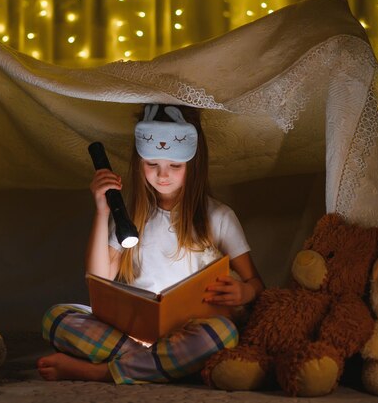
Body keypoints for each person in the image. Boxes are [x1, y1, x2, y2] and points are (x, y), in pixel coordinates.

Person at [37, 104, 265, 384]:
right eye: (152, 164)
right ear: (139, 162)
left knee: (224, 334)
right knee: (56, 318)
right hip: (134, 333)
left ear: (193, 166)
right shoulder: (131, 216)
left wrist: (244, 292)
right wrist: (102, 210)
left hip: (192, 331)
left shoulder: (218, 216)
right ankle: (159, 364)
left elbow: (256, 283)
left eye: (175, 166)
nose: (162, 175)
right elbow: (98, 278)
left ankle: (103, 372)